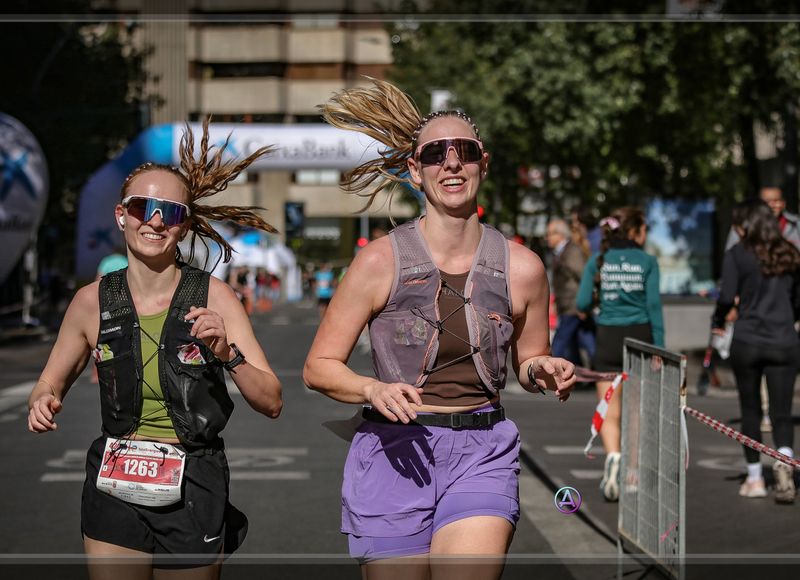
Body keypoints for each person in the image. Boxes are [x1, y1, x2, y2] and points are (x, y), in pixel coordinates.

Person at [303, 79, 576, 578]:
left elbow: (530, 360)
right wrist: (371, 387)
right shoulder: (378, 262)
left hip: (482, 449)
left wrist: (545, 369)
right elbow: (318, 367)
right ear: (414, 170)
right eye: (435, 154)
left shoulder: (524, 268)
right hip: (394, 451)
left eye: (464, 151)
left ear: (482, 163)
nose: (451, 163)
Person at [27, 119, 283, 579]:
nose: (156, 220)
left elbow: (271, 400)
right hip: (115, 475)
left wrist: (228, 353)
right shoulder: (91, 302)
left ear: (184, 226)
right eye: (143, 206)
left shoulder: (214, 296)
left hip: (193, 479)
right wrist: (43, 399)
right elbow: (49, 381)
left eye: (171, 211)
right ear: (121, 215)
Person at [712, 199, 800, 503]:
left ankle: (754, 479)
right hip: (785, 340)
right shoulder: (790, 252)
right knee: (782, 412)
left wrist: (718, 320)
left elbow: (725, 297)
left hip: (748, 340)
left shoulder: (738, 254)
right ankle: (785, 461)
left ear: (747, 224)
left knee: (750, 410)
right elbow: (798, 300)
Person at [576, 206, 664, 502]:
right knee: (636, 412)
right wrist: (658, 348)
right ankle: (632, 473)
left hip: (608, 338)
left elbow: (582, 301)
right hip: (639, 338)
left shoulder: (598, 260)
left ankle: (613, 457)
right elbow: (653, 308)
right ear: (637, 231)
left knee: (609, 408)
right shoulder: (648, 261)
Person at [546, 218, 595, 367]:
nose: (547, 238)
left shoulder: (571, 251)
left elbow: (583, 277)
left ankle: (550, 371)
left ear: (560, 234)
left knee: (560, 342)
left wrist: (584, 304)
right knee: (580, 340)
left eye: (549, 234)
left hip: (574, 305)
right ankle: (586, 373)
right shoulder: (561, 252)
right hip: (568, 305)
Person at [726, 186, 800, 250]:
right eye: (767, 201)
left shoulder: (796, 225)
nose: (771, 205)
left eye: (776, 200)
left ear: (783, 203)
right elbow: (732, 256)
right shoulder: (742, 226)